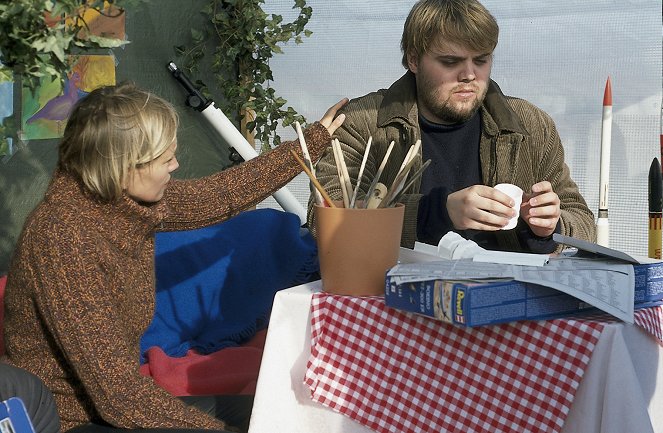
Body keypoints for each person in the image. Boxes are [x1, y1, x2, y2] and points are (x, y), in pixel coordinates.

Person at [1, 82, 346, 433]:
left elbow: (216, 196)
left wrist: (308, 145)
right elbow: (121, 398)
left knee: (271, 414)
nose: (176, 164)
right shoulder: (65, 240)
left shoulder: (120, 201)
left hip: (114, 404)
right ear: (122, 167)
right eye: (165, 159)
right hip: (72, 420)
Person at [308, 0, 595, 253]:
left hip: (507, 294)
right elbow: (325, 219)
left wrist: (550, 227)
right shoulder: (363, 122)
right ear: (413, 59)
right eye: (450, 61)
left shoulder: (531, 125)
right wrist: (437, 211)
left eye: (481, 60)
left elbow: (583, 222)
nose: (469, 74)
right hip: (391, 294)